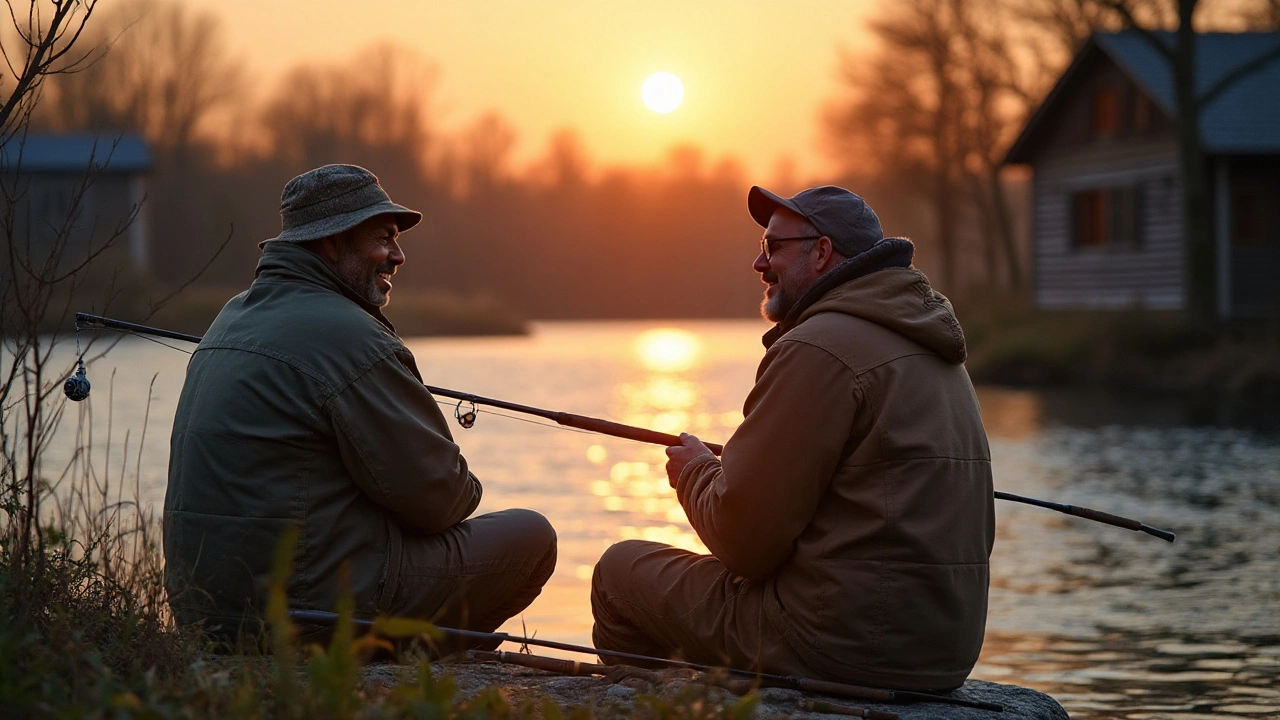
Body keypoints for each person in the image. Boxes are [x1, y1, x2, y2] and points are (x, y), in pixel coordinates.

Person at [590, 185, 994, 691]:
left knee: (619, 573)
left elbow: (744, 544)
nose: (759, 263)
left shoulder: (818, 348)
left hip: (840, 644)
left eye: (773, 246)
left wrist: (695, 471)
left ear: (821, 251)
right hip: (943, 652)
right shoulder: (933, 346)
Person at [164, 164, 556, 646]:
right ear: (331, 242)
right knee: (532, 538)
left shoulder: (229, 318)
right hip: (310, 615)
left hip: (206, 616)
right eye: (384, 237)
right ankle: (403, 663)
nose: (398, 255)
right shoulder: (351, 337)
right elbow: (442, 499)